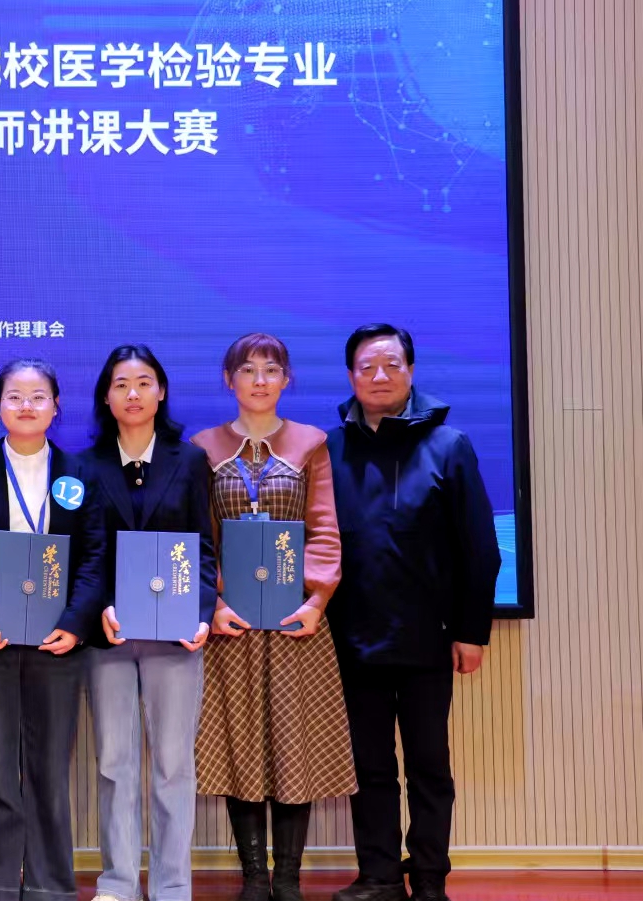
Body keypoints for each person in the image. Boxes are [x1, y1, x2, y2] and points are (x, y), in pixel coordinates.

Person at [324, 325, 500, 901]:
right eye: (367, 367)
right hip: (352, 640)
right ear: (351, 376)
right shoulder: (329, 450)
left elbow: (480, 548)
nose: (380, 376)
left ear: (411, 371)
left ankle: (428, 876)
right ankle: (377, 875)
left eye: (392, 365)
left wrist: (472, 631)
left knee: (428, 764)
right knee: (369, 767)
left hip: (430, 638)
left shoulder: (449, 445)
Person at [190, 334, 356, 901]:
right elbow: (202, 536)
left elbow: (325, 528)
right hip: (231, 627)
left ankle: (287, 878)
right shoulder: (203, 447)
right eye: (248, 370)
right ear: (229, 379)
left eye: (271, 370)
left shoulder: (311, 443)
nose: (259, 380)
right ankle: (254, 879)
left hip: (295, 627)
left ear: (287, 379)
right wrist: (215, 604)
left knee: (293, 747)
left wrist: (316, 601)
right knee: (240, 748)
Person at [0, 359, 105, 901]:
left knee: (48, 768)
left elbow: (94, 557)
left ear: (56, 407)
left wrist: (74, 625)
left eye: (38, 396)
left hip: (56, 642)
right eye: (14, 396)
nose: (26, 405)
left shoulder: (80, 474)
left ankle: (49, 888)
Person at [83, 344, 216, 901]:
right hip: (110, 634)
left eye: (143, 382)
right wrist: (100, 607)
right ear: (106, 397)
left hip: (175, 634)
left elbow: (204, 546)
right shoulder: (85, 466)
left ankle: (171, 886)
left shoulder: (190, 460)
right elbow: (84, 554)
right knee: (114, 762)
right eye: (120, 384)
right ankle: (117, 882)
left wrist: (202, 613)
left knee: (172, 765)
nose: (132, 393)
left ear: (161, 392)